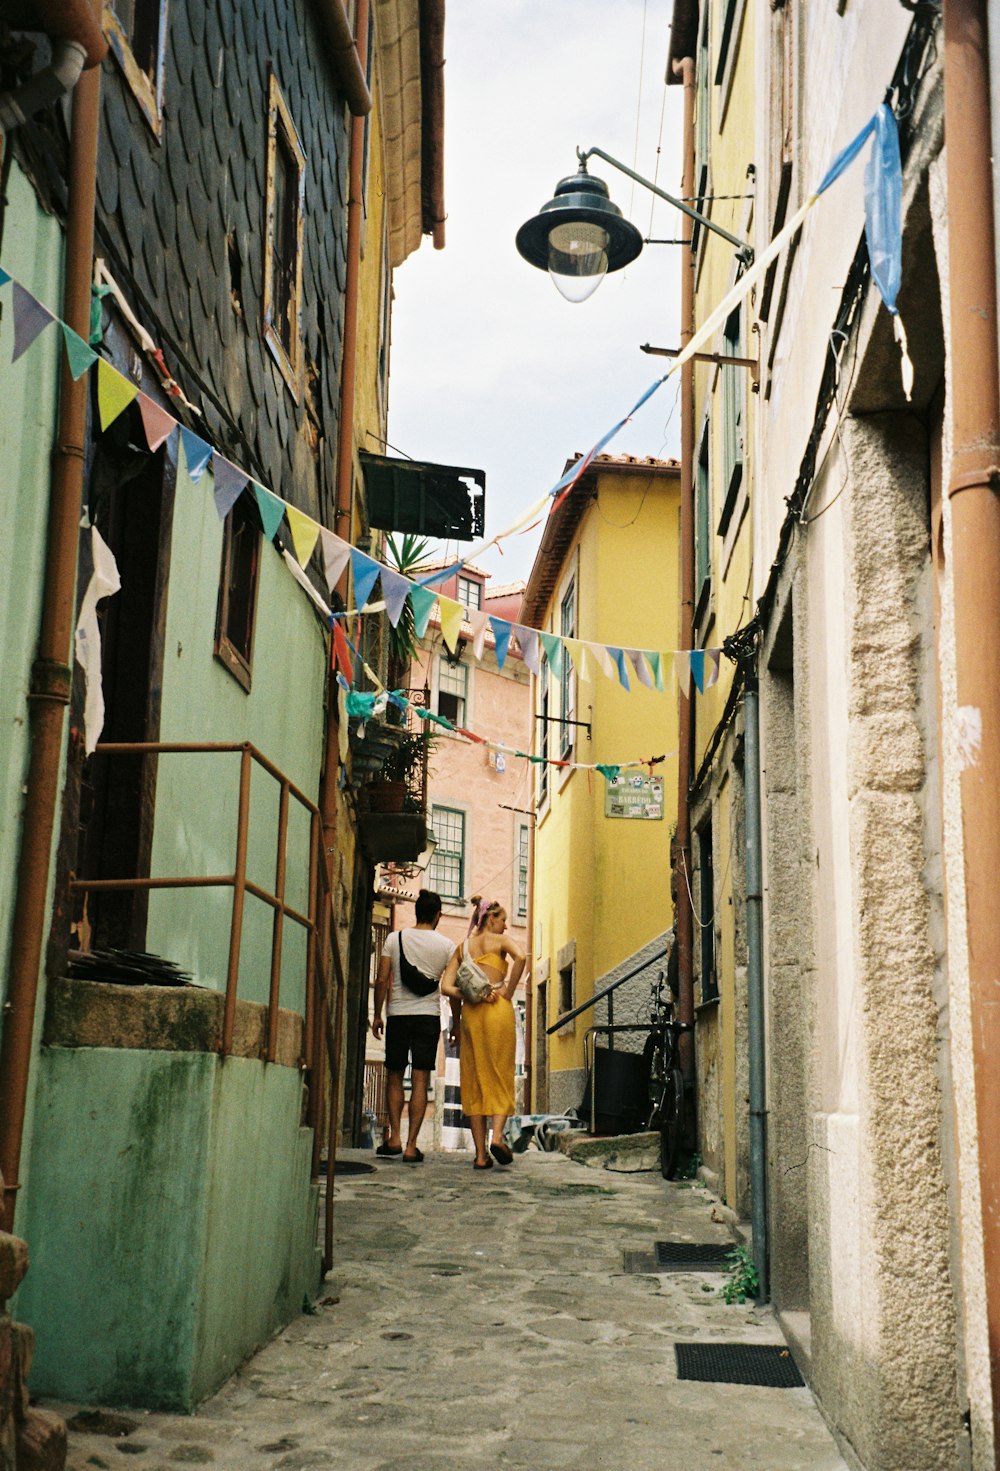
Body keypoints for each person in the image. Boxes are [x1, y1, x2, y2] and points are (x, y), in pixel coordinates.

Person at [440, 896, 526, 1170]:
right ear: (491, 919)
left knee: (475, 1078)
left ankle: (480, 1155)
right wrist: (508, 991)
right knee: (500, 1073)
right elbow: (521, 957)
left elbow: (445, 987)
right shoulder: (498, 942)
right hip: (498, 1011)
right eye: (503, 921)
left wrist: (469, 996)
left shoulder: (463, 947)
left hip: (472, 1015)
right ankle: (497, 1137)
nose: (505, 927)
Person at [370, 889, 453, 1162]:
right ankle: (411, 1145)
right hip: (428, 1017)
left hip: (398, 1016)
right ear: (438, 915)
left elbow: (382, 979)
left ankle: (394, 1137)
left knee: (394, 1075)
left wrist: (378, 1014)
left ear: (417, 912)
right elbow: (450, 986)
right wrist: (456, 1022)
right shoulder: (447, 946)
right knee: (420, 1079)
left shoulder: (395, 939)